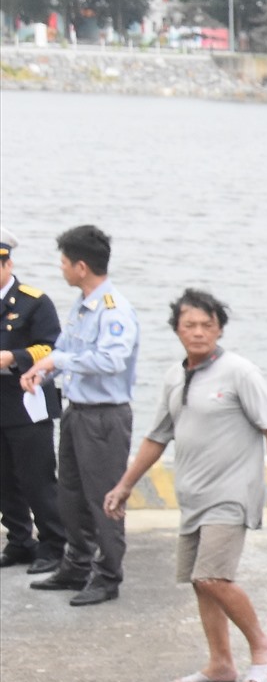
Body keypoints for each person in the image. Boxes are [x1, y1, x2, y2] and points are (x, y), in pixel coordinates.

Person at [103, 288, 267, 682]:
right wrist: (125, 485)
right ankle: (221, 664)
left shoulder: (240, 372)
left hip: (232, 493)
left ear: (220, 329)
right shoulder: (175, 375)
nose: (199, 332)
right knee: (198, 580)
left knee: (212, 577)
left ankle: (264, 648)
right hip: (193, 497)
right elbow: (157, 437)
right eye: (190, 325)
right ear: (177, 330)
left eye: (208, 325)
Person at [22, 225, 139, 606]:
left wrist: (61, 360)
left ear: (82, 266)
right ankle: (77, 564)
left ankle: (108, 576)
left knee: (104, 498)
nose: (61, 269)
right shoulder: (81, 305)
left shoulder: (113, 310)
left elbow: (111, 360)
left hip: (104, 417)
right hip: (76, 412)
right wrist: (43, 369)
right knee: (70, 494)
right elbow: (64, 349)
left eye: (64, 262)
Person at [0, 227, 67, 571]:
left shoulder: (33, 301)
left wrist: (14, 357)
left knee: (37, 478)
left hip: (26, 400)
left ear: (7, 264)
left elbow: (52, 347)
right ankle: (19, 541)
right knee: (4, 480)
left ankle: (54, 544)